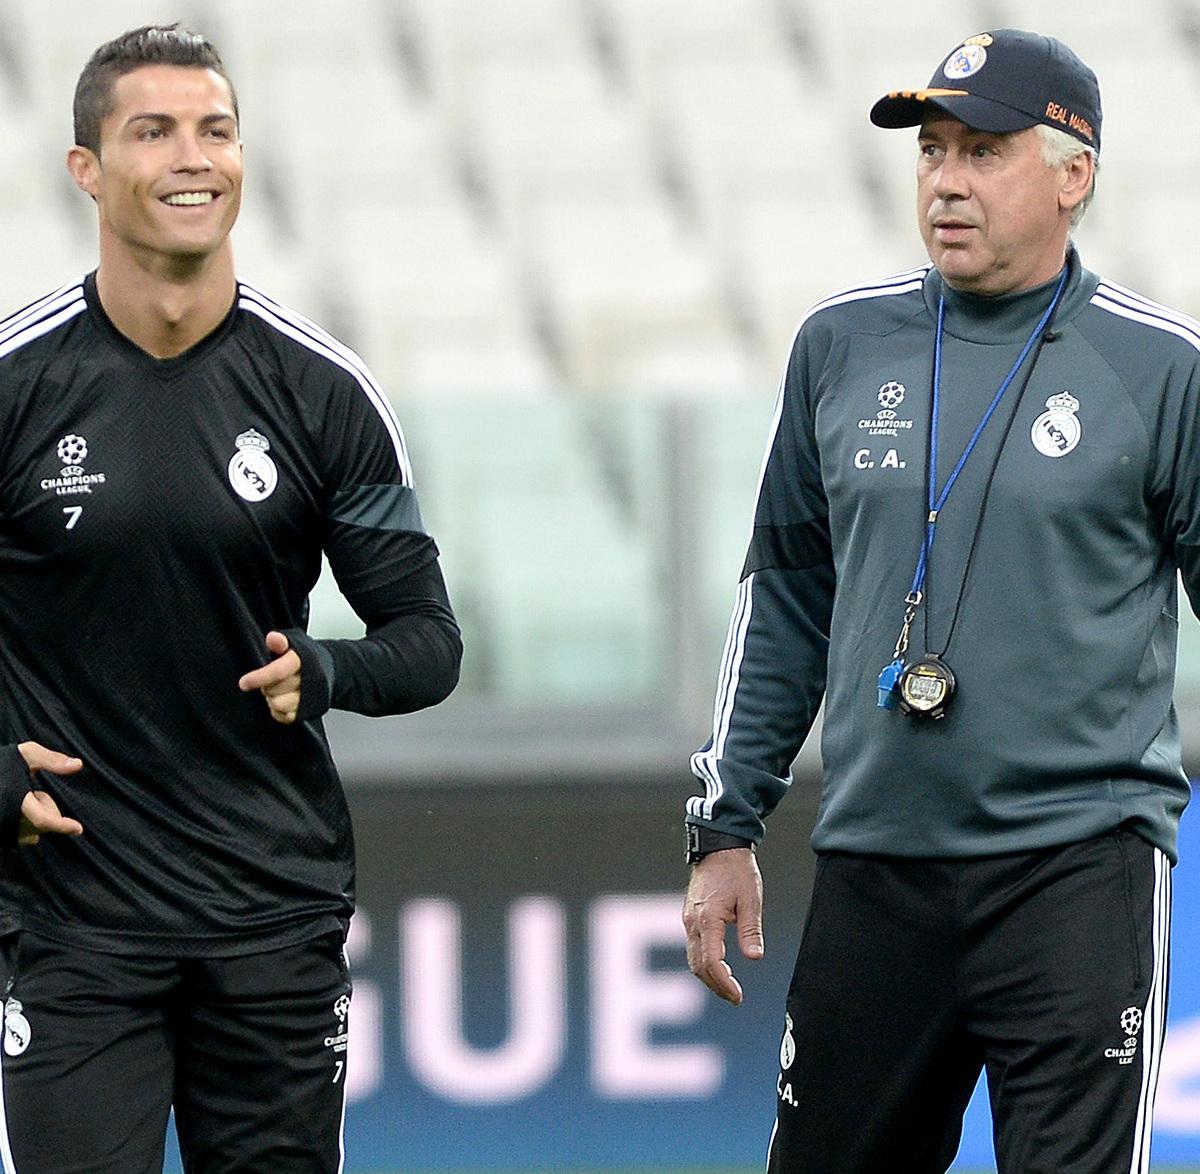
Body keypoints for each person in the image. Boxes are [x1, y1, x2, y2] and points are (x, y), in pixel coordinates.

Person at [683, 27, 1191, 1174]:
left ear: (1075, 174)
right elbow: (785, 598)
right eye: (933, 151)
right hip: (877, 863)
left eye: (985, 151)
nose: (947, 180)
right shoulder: (839, 344)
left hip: (1079, 869)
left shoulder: (1163, 370)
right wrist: (724, 823)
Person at [0, 24, 462, 1173]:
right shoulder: (15, 385)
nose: (193, 156)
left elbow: (429, 641)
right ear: (87, 170)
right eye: (152, 131)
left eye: (216, 129)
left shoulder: (325, 393)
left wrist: (328, 671)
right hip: (72, 923)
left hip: (273, 917)